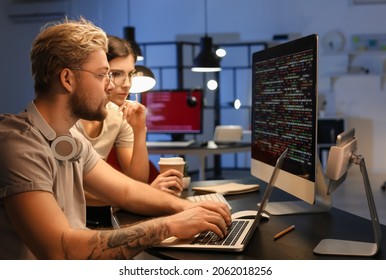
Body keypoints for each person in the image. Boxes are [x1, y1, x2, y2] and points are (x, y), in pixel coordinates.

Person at [0, 18, 231, 260]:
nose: (111, 86)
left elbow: (127, 191)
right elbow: (61, 249)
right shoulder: (17, 145)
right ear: (68, 79)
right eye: (102, 75)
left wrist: (190, 208)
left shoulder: (70, 138)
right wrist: (169, 225)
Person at [74, 35, 184, 227]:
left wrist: (139, 129)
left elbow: (136, 179)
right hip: (67, 216)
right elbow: (74, 190)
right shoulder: (68, 120)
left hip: (99, 217)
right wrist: (142, 194)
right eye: (115, 74)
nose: (127, 84)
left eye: (130, 74)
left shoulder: (117, 113)